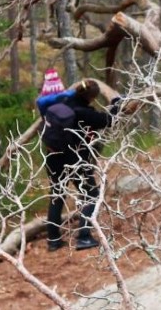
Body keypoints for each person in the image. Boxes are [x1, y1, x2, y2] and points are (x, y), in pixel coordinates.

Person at [42, 79, 118, 251]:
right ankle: (84, 237)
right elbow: (109, 120)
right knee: (91, 195)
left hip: (53, 157)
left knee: (57, 195)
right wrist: (115, 103)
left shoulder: (63, 102)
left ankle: (53, 240)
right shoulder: (84, 113)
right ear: (92, 97)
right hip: (74, 160)